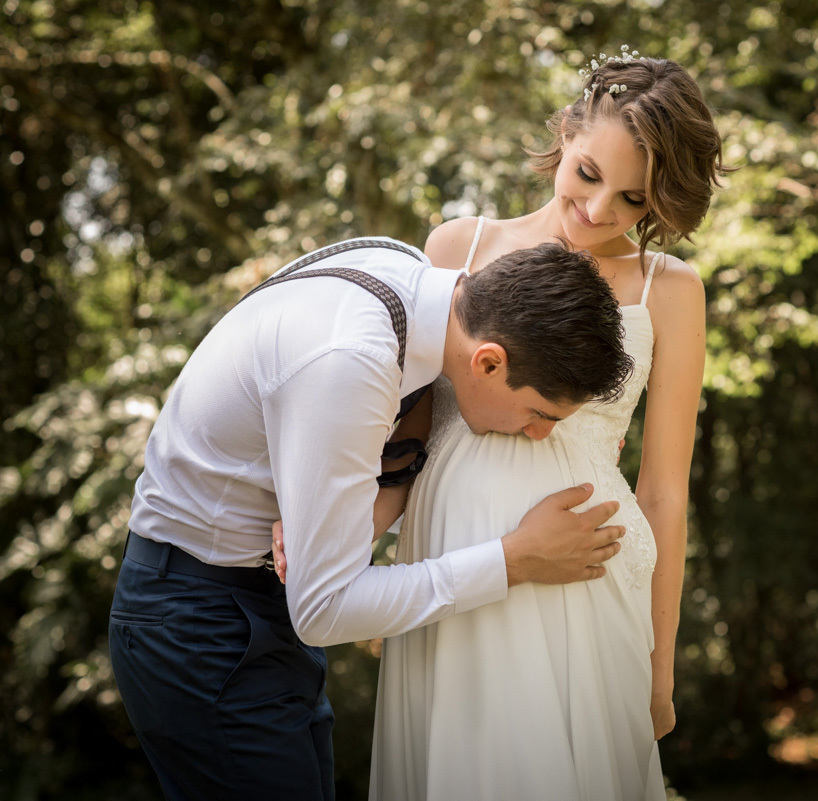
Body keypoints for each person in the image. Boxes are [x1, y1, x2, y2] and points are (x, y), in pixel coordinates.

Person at [278, 50, 729, 799]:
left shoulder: (671, 291)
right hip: (452, 558)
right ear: (567, 133)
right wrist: (356, 547)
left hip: (590, 567)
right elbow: (406, 437)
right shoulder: (460, 247)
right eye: (588, 175)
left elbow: (663, 492)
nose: (598, 211)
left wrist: (660, 663)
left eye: (633, 200)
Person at [108, 238, 635, 801]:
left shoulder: (406, 277)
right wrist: (513, 560)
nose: (541, 435)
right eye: (540, 414)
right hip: (197, 624)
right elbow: (324, 609)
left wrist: (338, 529)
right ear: (488, 361)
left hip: (249, 603)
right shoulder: (351, 359)